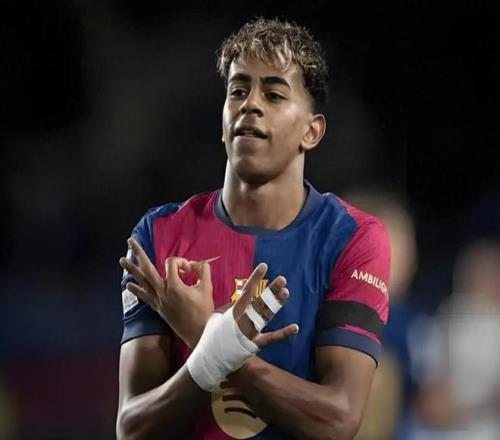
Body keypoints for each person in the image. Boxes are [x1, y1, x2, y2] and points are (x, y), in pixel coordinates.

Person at [116, 17, 390, 440]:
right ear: (223, 118)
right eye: (238, 91)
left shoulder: (353, 239)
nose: (250, 104)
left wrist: (206, 338)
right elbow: (132, 428)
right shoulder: (159, 234)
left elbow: (337, 421)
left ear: (312, 131)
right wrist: (216, 348)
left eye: (274, 94)